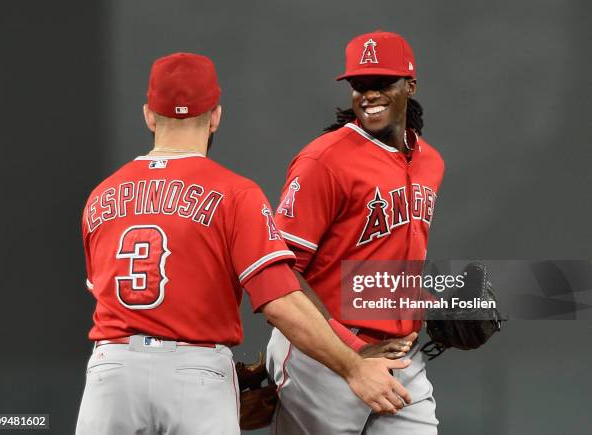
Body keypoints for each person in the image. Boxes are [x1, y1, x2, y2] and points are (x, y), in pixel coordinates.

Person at [75, 52, 413, 435]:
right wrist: (354, 367)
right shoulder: (234, 193)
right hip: (195, 373)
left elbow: (107, 293)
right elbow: (280, 302)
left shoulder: (101, 197)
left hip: (112, 372)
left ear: (149, 115)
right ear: (216, 115)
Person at [267, 31, 445, 434]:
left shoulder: (431, 162)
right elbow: (281, 272)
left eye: (381, 83)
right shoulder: (323, 160)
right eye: (359, 85)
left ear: (410, 86)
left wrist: (432, 305)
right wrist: (351, 351)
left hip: (400, 354)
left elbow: (382, 262)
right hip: (323, 358)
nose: (369, 94)